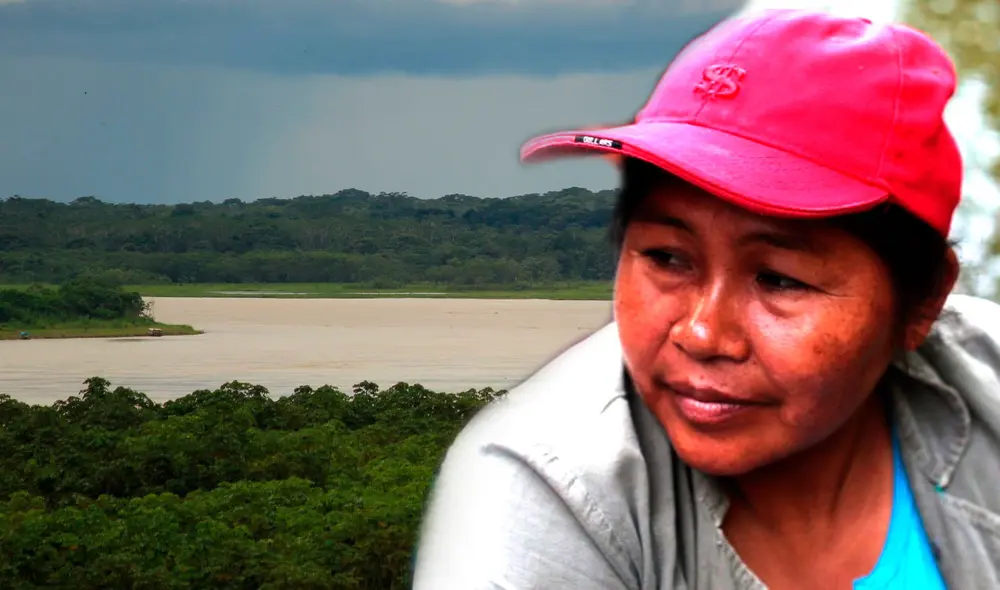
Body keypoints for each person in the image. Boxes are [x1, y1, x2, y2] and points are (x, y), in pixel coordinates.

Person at [412, 8, 1000, 590]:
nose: (701, 333)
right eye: (667, 258)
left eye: (779, 278)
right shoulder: (541, 486)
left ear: (922, 301)